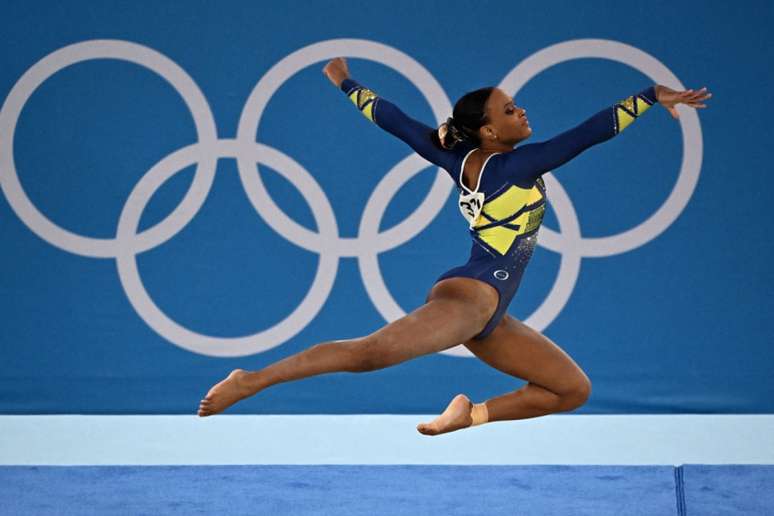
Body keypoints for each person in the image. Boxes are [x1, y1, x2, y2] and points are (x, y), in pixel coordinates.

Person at [198, 57, 711, 435]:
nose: (521, 111)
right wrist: (648, 96)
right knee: (369, 354)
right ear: (489, 130)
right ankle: (251, 380)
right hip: (469, 298)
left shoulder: (458, 157)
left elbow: (395, 121)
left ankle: (472, 414)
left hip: (490, 312)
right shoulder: (514, 166)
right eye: (510, 110)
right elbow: (586, 135)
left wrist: (345, 81)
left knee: (571, 391)